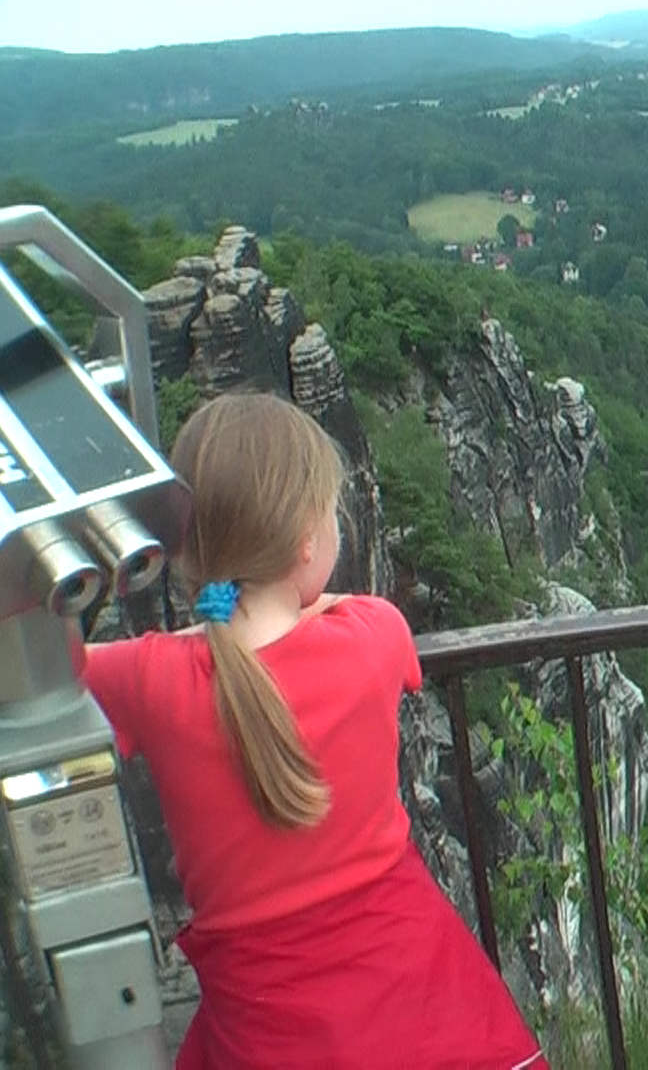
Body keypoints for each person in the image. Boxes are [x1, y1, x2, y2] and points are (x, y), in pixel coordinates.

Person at [84, 393, 543, 1069]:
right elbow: (360, 619)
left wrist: (200, 628)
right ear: (306, 540)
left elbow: (50, 671)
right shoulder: (369, 635)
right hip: (417, 1002)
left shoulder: (149, 679)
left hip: (266, 1030)